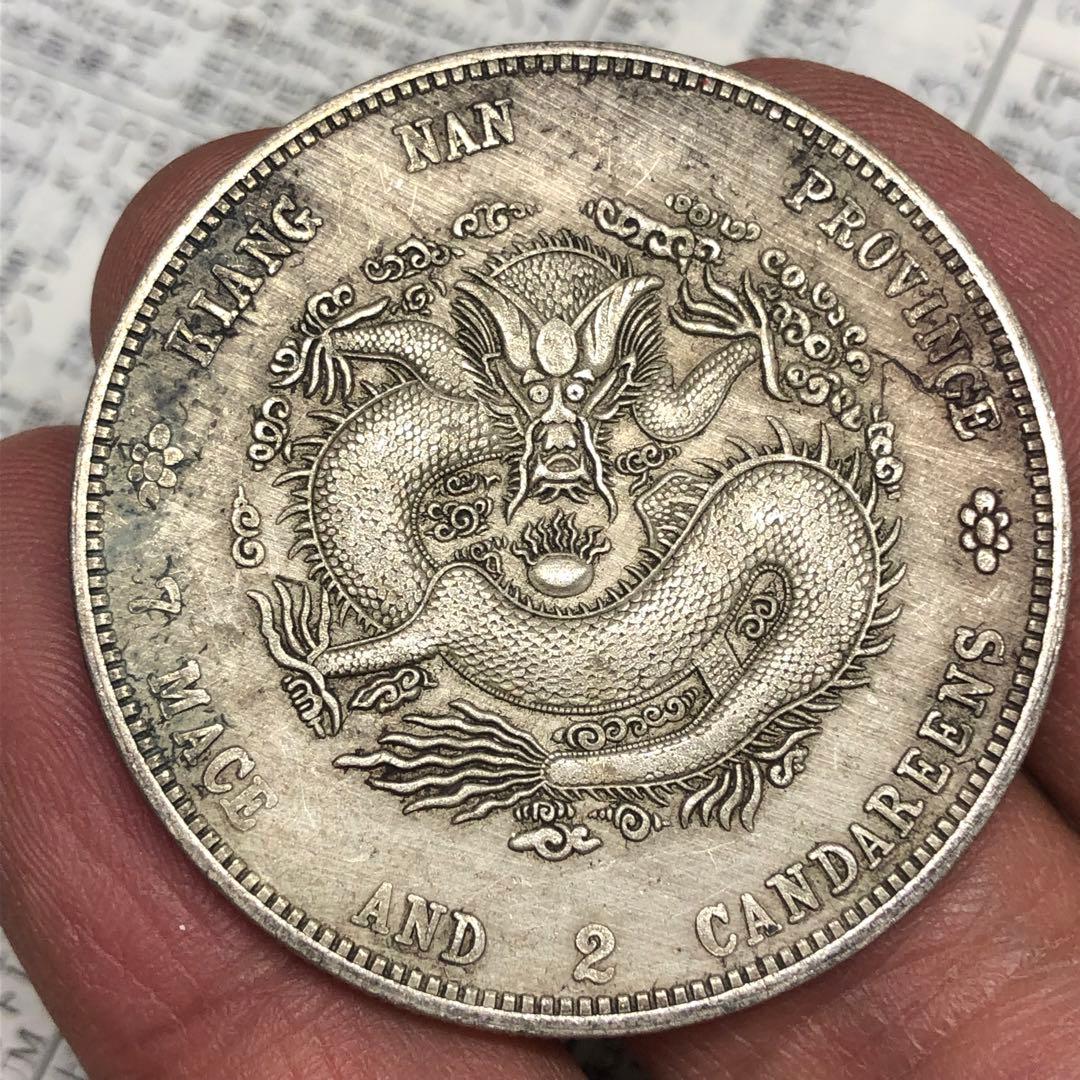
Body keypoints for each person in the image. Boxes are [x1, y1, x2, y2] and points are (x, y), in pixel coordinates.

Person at [1, 58, 1078, 1079]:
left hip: (657, 588)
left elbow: (658, 419)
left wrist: (329, 662)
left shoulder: (513, 554)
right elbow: (459, 390)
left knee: (773, 530)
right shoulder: (470, 536)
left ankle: (683, 729)